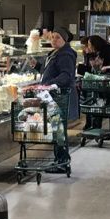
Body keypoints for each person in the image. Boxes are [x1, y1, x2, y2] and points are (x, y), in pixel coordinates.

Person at [39, 27, 78, 164]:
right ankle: (61, 159)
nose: (54, 40)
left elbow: (66, 76)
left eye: (58, 37)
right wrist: (37, 66)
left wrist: (50, 85)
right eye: (52, 37)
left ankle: (62, 160)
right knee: (58, 129)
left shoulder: (66, 54)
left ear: (64, 40)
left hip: (60, 97)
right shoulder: (56, 52)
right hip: (54, 96)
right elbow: (51, 70)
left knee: (59, 129)